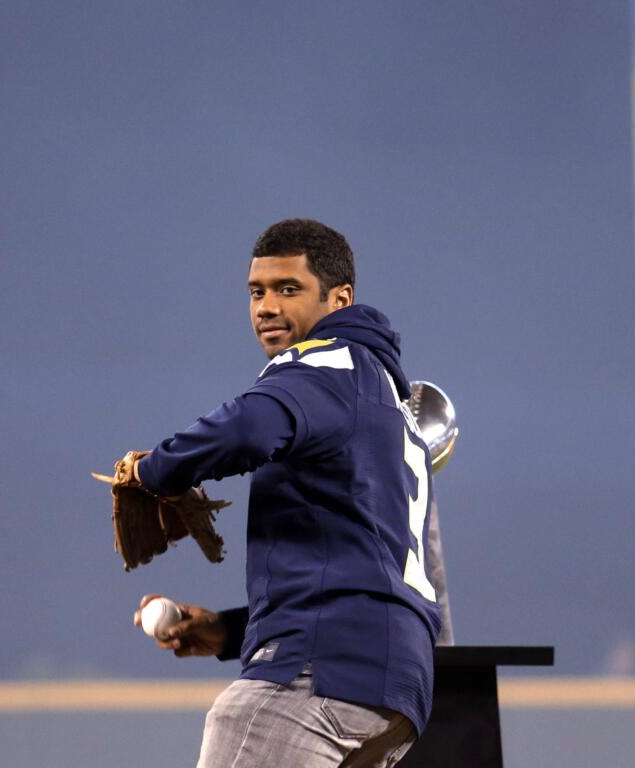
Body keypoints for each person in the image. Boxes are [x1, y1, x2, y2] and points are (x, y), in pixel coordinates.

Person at [130, 218, 442, 767]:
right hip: (392, 689)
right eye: (257, 291)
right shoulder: (387, 400)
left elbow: (245, 430)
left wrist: (154, 471)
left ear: (339, 298)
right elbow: (354, 560)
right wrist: (229, 630)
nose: (266, 306)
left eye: (287, 289)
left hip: (322, 669)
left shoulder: (327, 362)